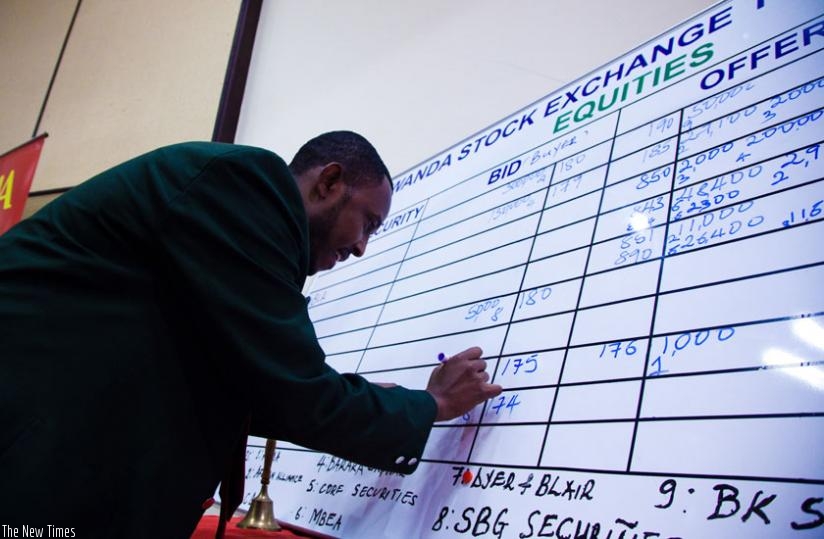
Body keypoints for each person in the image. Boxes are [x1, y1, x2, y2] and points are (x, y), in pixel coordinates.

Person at [0, 132, 502, 537]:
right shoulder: (245, 186)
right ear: (329, 181)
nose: (362, 247)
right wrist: (430, 404)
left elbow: (244, 382)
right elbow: (293, 393)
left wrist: (372, 402)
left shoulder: (233, 211)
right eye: (367, 222)